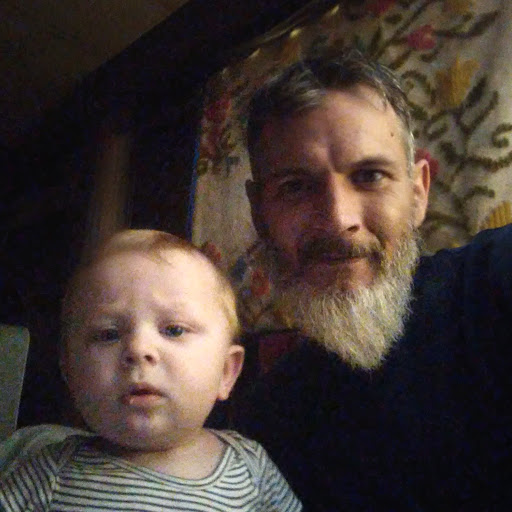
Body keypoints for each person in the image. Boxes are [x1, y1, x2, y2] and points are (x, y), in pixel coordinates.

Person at [237, 49, 512, 511]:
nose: (338, 219)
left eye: (370, 176)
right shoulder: (262, 422)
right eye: (295, 187)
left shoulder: (492, 281)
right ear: (259, 214)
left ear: (418, 192)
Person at [0, 229, 302, 512]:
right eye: (108, 334)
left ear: (226, 372)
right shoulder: (45, 474)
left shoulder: (251, 468)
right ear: (70, 373)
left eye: (173, 329)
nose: (138, 349)